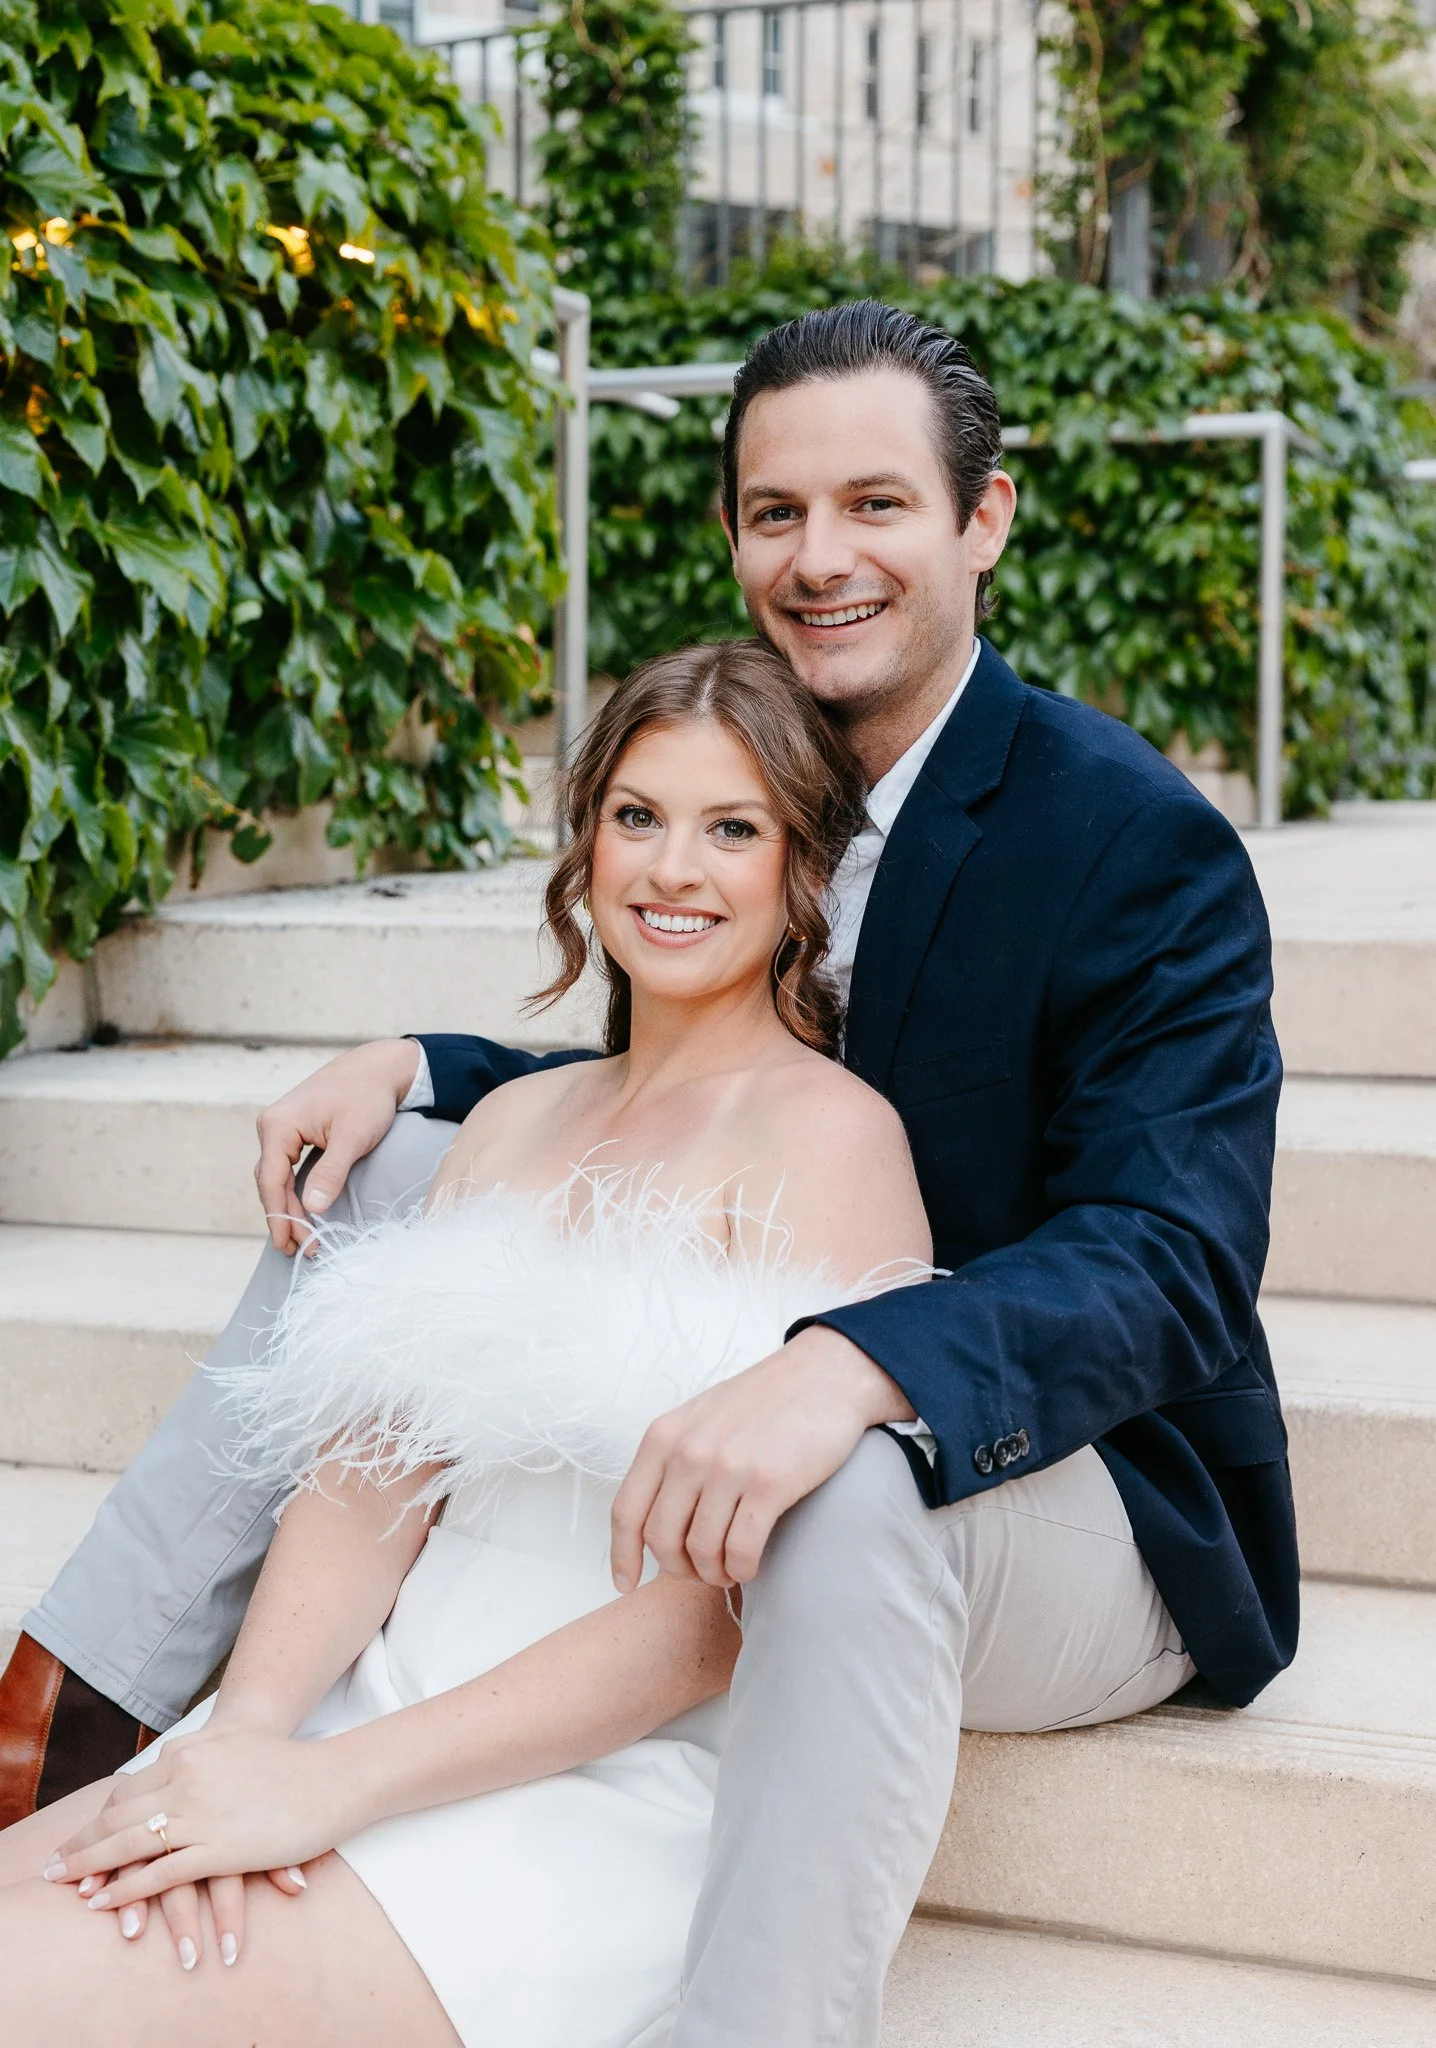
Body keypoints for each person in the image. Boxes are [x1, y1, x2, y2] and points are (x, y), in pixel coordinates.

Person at [0, 301, 1299, 2046]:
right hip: (724, 1416)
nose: (821, 556)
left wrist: (853, 1361)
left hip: (1060, 1465)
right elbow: (694, 1068)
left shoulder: (1128, 841)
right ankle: (91, 1700)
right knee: (395, 1183)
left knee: (838, 1479)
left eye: (878, 505)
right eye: (776, 512)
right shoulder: (750, 749)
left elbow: (1173, 1257)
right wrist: (431, 1070)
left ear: (985, 521)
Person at [2, 641, 929, 2041]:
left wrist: (334, 1789)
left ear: (804, 870)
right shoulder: (510, 1124)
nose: (674, 869)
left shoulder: (837, 1144)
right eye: (637, 816)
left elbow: (711, 1624)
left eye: (731, 829)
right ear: (585, 842)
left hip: (590, 1777)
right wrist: (246, 1737)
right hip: (362, 1700)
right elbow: (372, 1468)